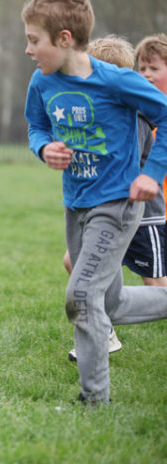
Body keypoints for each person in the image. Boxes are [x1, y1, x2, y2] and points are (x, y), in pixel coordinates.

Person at [22, 0, 167, 405]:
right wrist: (43, 148)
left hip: (117, 203)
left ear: (65, 39)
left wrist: (150, 174)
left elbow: (166, 115)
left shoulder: (116, 81)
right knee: (111, 302)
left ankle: (93, 402)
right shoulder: (42, 82)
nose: (29, 50)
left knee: (82, 297)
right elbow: (36, 125)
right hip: (76, 203)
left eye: (35, 41)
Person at [62, 35, 165, 362]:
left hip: (141, 213)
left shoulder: (133, 115)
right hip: (104, 212)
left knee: (155, 286)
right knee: (74, 265)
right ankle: (102, 334)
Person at [135, 34, 167, 211]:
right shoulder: (138, 114)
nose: (147, 74)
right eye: (142, 68)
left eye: (154, 68)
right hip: (147, 212)